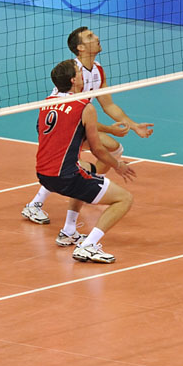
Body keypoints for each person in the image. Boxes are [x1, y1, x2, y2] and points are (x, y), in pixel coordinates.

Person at [22, 26, 153, 227]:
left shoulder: (98, 70)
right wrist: (109, 129)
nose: (97, 37)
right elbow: (71, 113)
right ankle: (36, 205)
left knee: (114, 148)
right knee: (72, 161)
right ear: (81, 48)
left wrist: (134, 126)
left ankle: (90, 190)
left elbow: (108, 104)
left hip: (77, 124)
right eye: (90, 37)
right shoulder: (71, 73)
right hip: (60, 125)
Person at [35, 59, 138, 264]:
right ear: (74, 80)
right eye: (79, 73)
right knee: (124, 199)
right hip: (66, 176)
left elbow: (43, 132)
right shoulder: (85, 106)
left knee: (86, 170)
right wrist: (118, 165)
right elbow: (98, 149)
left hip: (43, 174)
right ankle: (88, 245)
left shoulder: (48, 101)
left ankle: (69, 231)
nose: (83, 76)